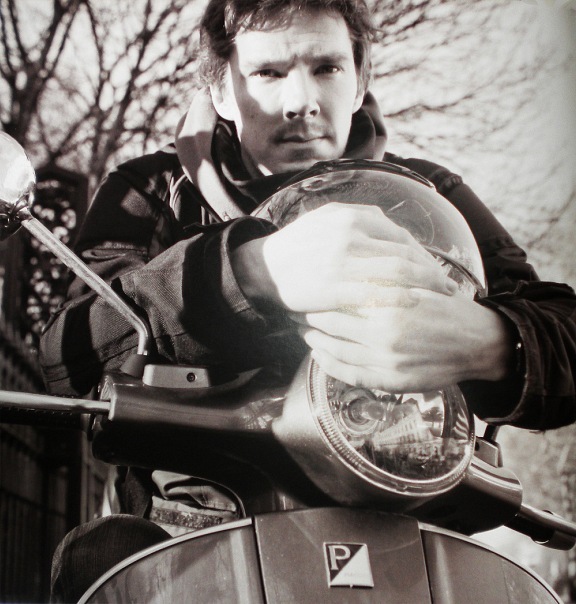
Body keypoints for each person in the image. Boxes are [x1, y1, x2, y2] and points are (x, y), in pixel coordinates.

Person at [41, 0, 576, 600]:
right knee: (101, 557)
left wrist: (492, 342)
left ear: (360, 79)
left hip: (411, 534)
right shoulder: (151, 190)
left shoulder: (432, 194)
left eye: (327, 67)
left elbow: (564, 327)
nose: (302, 99)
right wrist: (252, 273)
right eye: (268, 73)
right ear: (220, 91)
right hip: (193, 536)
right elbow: (70, 352)